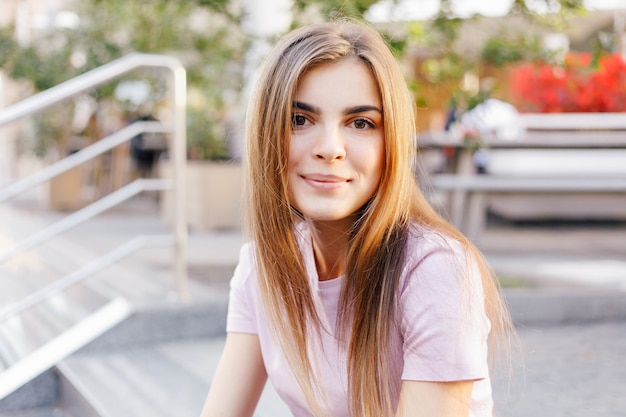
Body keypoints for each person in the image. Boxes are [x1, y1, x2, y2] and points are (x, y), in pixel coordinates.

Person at [200, 18, 514, 417]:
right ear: (266, 133)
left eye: (360, 123)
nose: (330, 148)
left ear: (391, 143)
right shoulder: (260, 265)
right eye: (300, 120)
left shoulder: (434, 271)